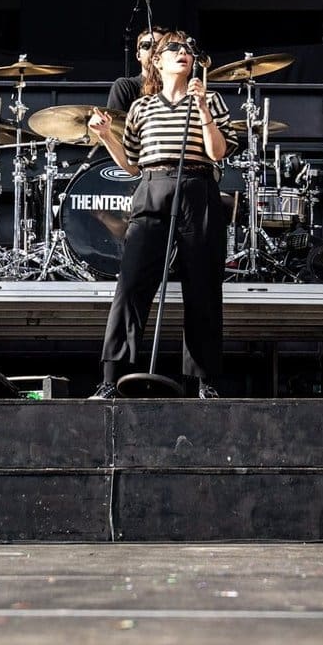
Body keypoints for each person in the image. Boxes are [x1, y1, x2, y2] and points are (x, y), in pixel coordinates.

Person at [87, 31, 236, 399]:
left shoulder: (211, 100)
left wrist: (202, 111)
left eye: (188, 49)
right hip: (153, 187)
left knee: (202, 288)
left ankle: (204, 383)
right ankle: (111, 378)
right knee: (132, 285)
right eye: (174, 48)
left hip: (198, 188)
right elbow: (133, 165)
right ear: (156, 60)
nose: (183, 53)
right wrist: (107, 136)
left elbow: (218, 153)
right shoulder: (142, 107)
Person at [107, 26, 169, 112]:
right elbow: (115, 124)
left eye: (158, 45)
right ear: (138, 55)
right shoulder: (125, 86)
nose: (153, 49)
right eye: (146, 45)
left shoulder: (175, 88)